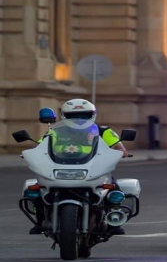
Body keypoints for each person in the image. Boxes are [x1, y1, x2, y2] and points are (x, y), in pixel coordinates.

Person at [29, 99, 129, 235]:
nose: (79, 119)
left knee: (113, 188)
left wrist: (121, 151)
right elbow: (39, 146)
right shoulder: (55, 132)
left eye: (84, 115)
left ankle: (113, 219)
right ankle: (40, 220)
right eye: (73, 116)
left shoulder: (103, 131)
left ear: (92, 115)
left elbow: (119, 146)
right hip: (60, 166)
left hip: (93, 168)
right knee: (37, 190)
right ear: (64, 116)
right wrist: (33, 153)